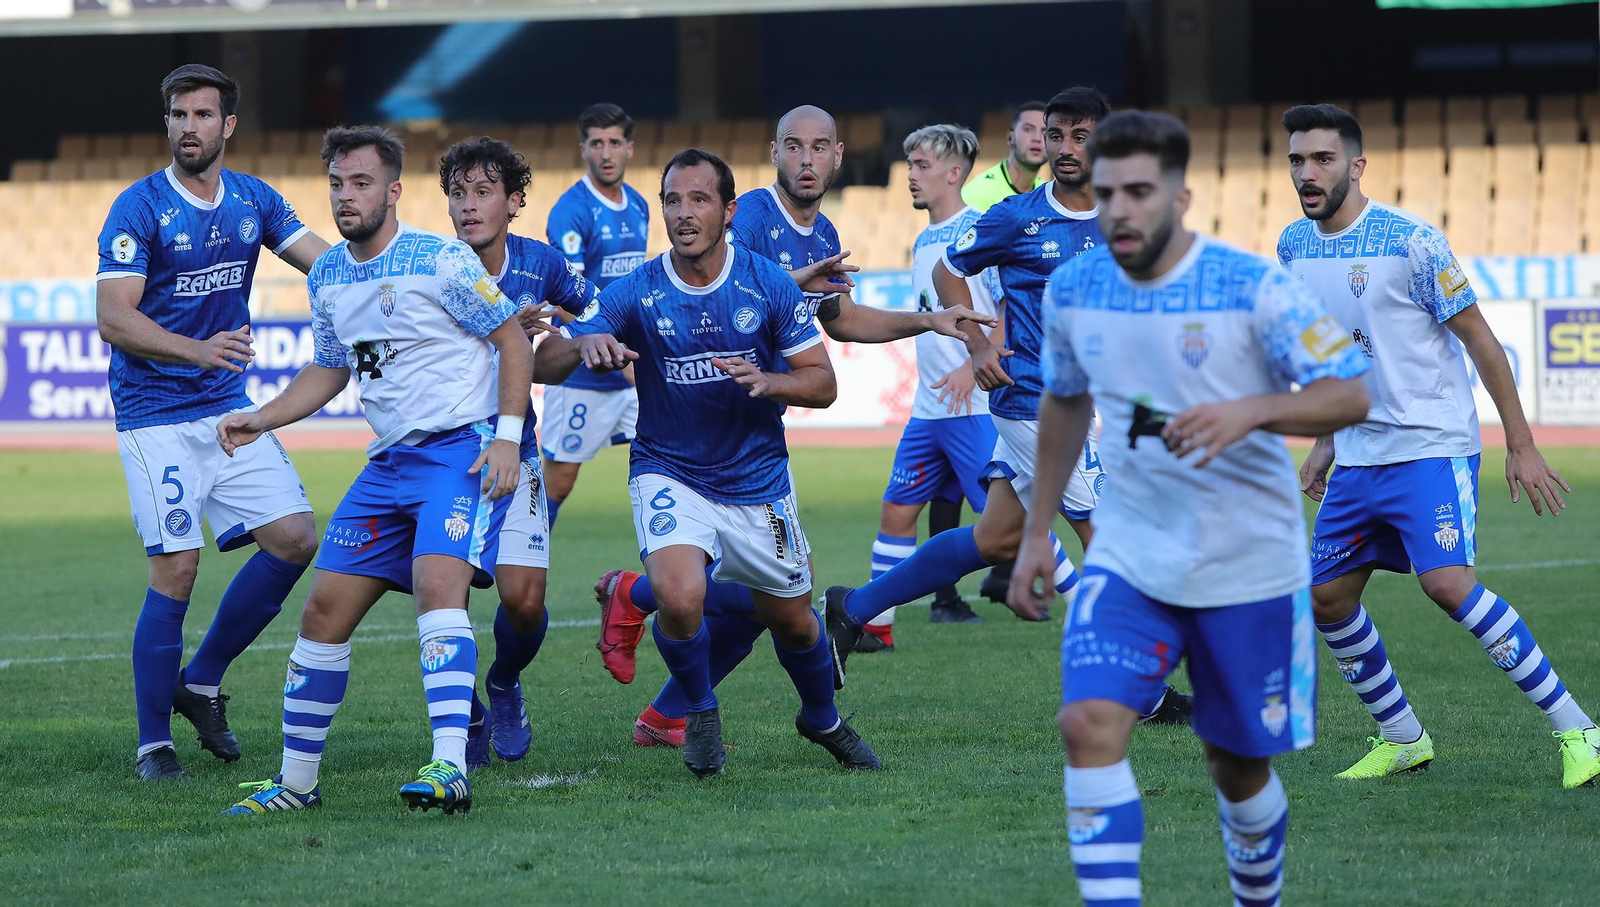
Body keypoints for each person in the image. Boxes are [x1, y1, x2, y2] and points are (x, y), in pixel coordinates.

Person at [1011, 109, 1370, 907]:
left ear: (1182, 195)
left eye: (1140, 191)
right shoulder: (1075, 287)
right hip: (1131, 556)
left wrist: (1252, 411)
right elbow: (1065, 403)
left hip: (1247, 565)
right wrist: (1037, 531)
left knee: (1235, 767)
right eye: (1107, 193)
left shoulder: (1249, 287)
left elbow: (1352, 390)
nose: (1121, 210)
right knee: (1088, 726)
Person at [589, 106, 996, 743]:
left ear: (838, 156)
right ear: (774, 152)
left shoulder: (822, 228)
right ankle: (673, 689)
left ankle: (655, 662)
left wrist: (927, 320)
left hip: (755, 440)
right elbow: (729, 289)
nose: (806, 161)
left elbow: (841, 320)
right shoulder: (746, 215)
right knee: (715, 598)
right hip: (685, 440)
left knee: (774, 609)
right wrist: (788, 287)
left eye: (819, 148)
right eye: (793, 147)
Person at [820, 88, 1183, 726]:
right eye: (1058, 135)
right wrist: (981, 339)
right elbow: (948, 274)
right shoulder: (1017, 218)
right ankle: (1145, 693)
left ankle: (853, 608)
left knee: (994, 537)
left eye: (1081, 136)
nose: (1067, 149)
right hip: (1033, 405)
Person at [218, 125, 536, 816]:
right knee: (323, 610)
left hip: (458, 449)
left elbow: (511, 339)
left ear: (393, 190)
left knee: (436, 583)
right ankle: (297, 784)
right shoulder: (329, 272)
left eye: (360, 183)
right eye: (336, 183)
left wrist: (508, 437)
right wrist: (262, 416)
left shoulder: (440, 259)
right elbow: (332, 367)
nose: (345, 196)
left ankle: (451, 766)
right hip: (388, 463)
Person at [1278, 103, 1599, 788]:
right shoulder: (1294, 247)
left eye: (1323, 159)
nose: (1307, 173)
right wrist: (1327, 441)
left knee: (1447, 583)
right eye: (1297, 160)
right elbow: (1337, 355)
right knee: (1326, 596)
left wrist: (1520, 441)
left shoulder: (1410, 241)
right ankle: (1402, 737)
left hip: (1429, 445)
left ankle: (1578, 727)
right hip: (1359, 454)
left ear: (1357, 166)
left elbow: (1481, 338)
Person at [537, 149, 881, 778]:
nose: (683, 213)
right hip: (669, 469)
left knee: (796, 623)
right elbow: (544, 360)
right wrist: (582, 341)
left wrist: (770, 381)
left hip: (758, 482)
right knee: (679, 594)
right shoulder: (637, 289)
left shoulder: (768, 285)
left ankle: (821, 718)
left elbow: (822, 382)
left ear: (728, 211)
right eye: (672, 201)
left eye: (699, 201)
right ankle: (698, 710)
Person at [95, 63, 330, 780]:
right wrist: (198, 349)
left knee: (294, 538)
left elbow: (327, 267)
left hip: (227, 409)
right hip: (154, 415)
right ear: (166, 122)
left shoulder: (254, 200)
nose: (188, 127)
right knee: (178, 567)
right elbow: (113, 316)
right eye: (178, 115)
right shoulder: (137, 208)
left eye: (202, 116)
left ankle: (199, 683)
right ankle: (152, 744)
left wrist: (408, 283)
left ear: (228, 125)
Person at [440, 136, 597, 768]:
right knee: (444, 596)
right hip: (445, 454)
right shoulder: (432, 264)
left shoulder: (541, 264)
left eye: (483, 193)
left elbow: (594, 311)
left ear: (513, 202)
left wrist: (558, 344)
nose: (468, 206)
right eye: (458, 194)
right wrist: (506, 336)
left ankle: (502, 683)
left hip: (517, 449)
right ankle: (465, 713)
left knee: (524, 603)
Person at [858, 123, 1005, 653]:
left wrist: (976, 360)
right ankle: (875, 629)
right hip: (929, 409)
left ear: (954, 172)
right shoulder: (923, 239)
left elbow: (1006, 305)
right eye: (909, 166)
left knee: (1003, 526)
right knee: (897, 510)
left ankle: (1082, 600)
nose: (910, 177)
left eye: (920, 166)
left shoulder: (980, 227)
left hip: (975, 406)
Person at [542, 104, 650, 530]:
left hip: (632, 368)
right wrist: (612, 350)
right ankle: (516, 570)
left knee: (676, 458)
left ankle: (697, 575)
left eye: (615, 143)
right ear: (583, 149)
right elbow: (568, 298)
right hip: (583, 374)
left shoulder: (640, 205)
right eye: (597, 143)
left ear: (630, 148)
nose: (607, 153)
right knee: (559, 483)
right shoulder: (572, 211)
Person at [963, 100, 1048, 213]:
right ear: (1010, 137)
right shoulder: (979, 193)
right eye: (1028, 129)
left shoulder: (1049, 194)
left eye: (1045, 132)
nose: (1037, 138)